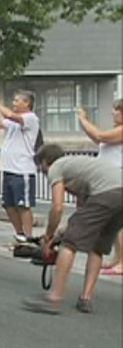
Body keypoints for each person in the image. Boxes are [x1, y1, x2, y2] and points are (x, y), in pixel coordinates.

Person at [23, 145, 123, 314]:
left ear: (45, 162)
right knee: (97, 247)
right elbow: (84, 211)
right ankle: (85, 298)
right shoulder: (79, 167)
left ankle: (53, 298)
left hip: (106, 194)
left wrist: (48, 237)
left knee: (69, 244)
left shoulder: (56, 167)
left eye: (41, 168)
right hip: (118, 195)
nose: (43, 172)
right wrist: (62, 232)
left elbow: (57, 207)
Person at [0, 90, 41, 243]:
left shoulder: (31, 118)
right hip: (9, 168)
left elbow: (11, 115)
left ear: (27, 103)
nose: (14, 103)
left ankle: (29, 235)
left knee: (23, 205)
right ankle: (19, 233)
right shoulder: (13, 122)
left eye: (17, 100)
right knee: (8, 205)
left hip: (22, 169)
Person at [78, 101, 123, 275]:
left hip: (117, 178)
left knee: (119, 224)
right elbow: (98, 138)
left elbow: (99, 136)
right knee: (113, 223)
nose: (113, 113)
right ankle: (116, 258)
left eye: (117, 110)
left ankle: (122, 261)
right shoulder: (116, 131)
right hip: (107, 179)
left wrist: (83, 119)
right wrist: (86, 123)